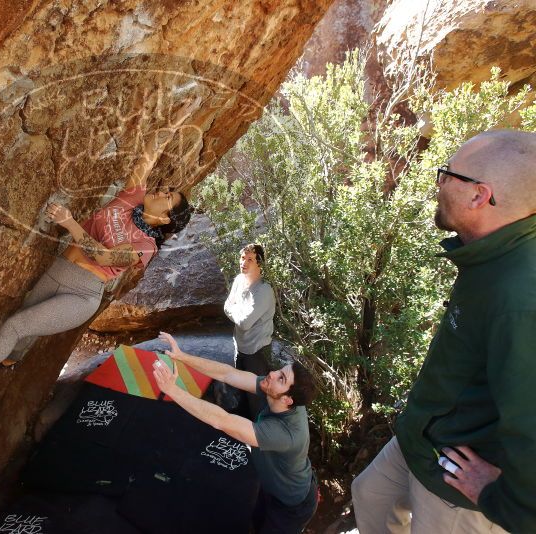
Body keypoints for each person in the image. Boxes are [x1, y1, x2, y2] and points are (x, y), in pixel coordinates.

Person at [0, 103, 196, 396]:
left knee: (16, 326)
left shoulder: (145, 247)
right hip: (59, 269)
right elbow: (149, 154)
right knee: (23, 325)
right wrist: (175, 120)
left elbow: (104, 256)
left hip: (82, 294)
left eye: (168, 197)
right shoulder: (132, 196)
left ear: (165, 219)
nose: (161, 190)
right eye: (166, 189)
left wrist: (70, 223)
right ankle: (8, 360)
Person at [351, 129, 536, 533]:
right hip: (422, 440)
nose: (438, 183)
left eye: (447, 174)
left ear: (479, 196)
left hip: (457, 477)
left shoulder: (520, 297)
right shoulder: (489, 254)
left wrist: (501, 498)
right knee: (369, 495)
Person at [153, 331, 318, 534]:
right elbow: (228, 374)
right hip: (273, 486)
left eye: (281, 378)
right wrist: (182, 356)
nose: (272, 374)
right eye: (279, 370)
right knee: (256, 520)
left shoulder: (285, 434)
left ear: (287, 400)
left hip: (292, 506)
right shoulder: (276, 392)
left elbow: (221, 421)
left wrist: (172, 390)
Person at [224, 243, 280, 417]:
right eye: (242, 258)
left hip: (257, 351)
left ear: (259, 264)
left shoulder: (263, 290)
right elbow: (226, 306)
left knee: (257, 397)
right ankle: (241, 420)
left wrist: (235, 310)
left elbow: (244, 322)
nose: (244, 262)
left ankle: (258, 429)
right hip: (240, 347)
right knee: (241, 388)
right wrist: (237, 311)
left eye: (250, 259)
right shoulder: (239, 281)